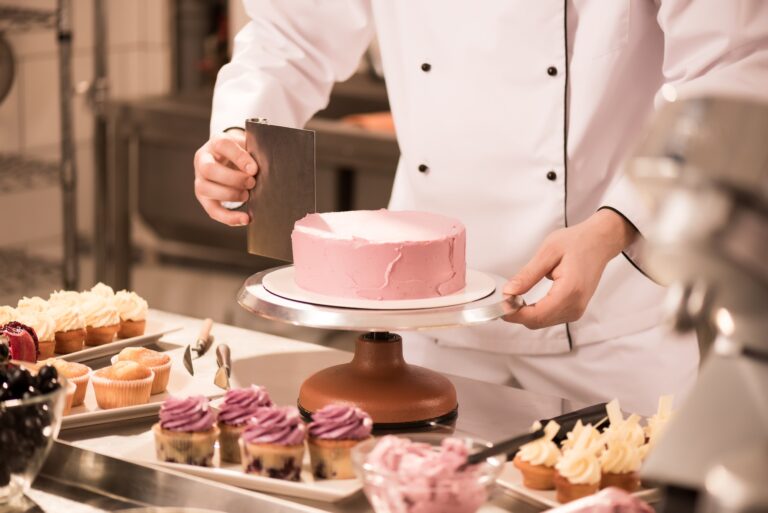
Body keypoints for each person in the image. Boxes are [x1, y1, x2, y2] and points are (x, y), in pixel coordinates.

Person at [194, 1, 768, 415]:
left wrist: (618, 223)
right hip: (424, 323)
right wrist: (240, 135)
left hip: (609, 324)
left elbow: (734, 71)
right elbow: (291, 37)